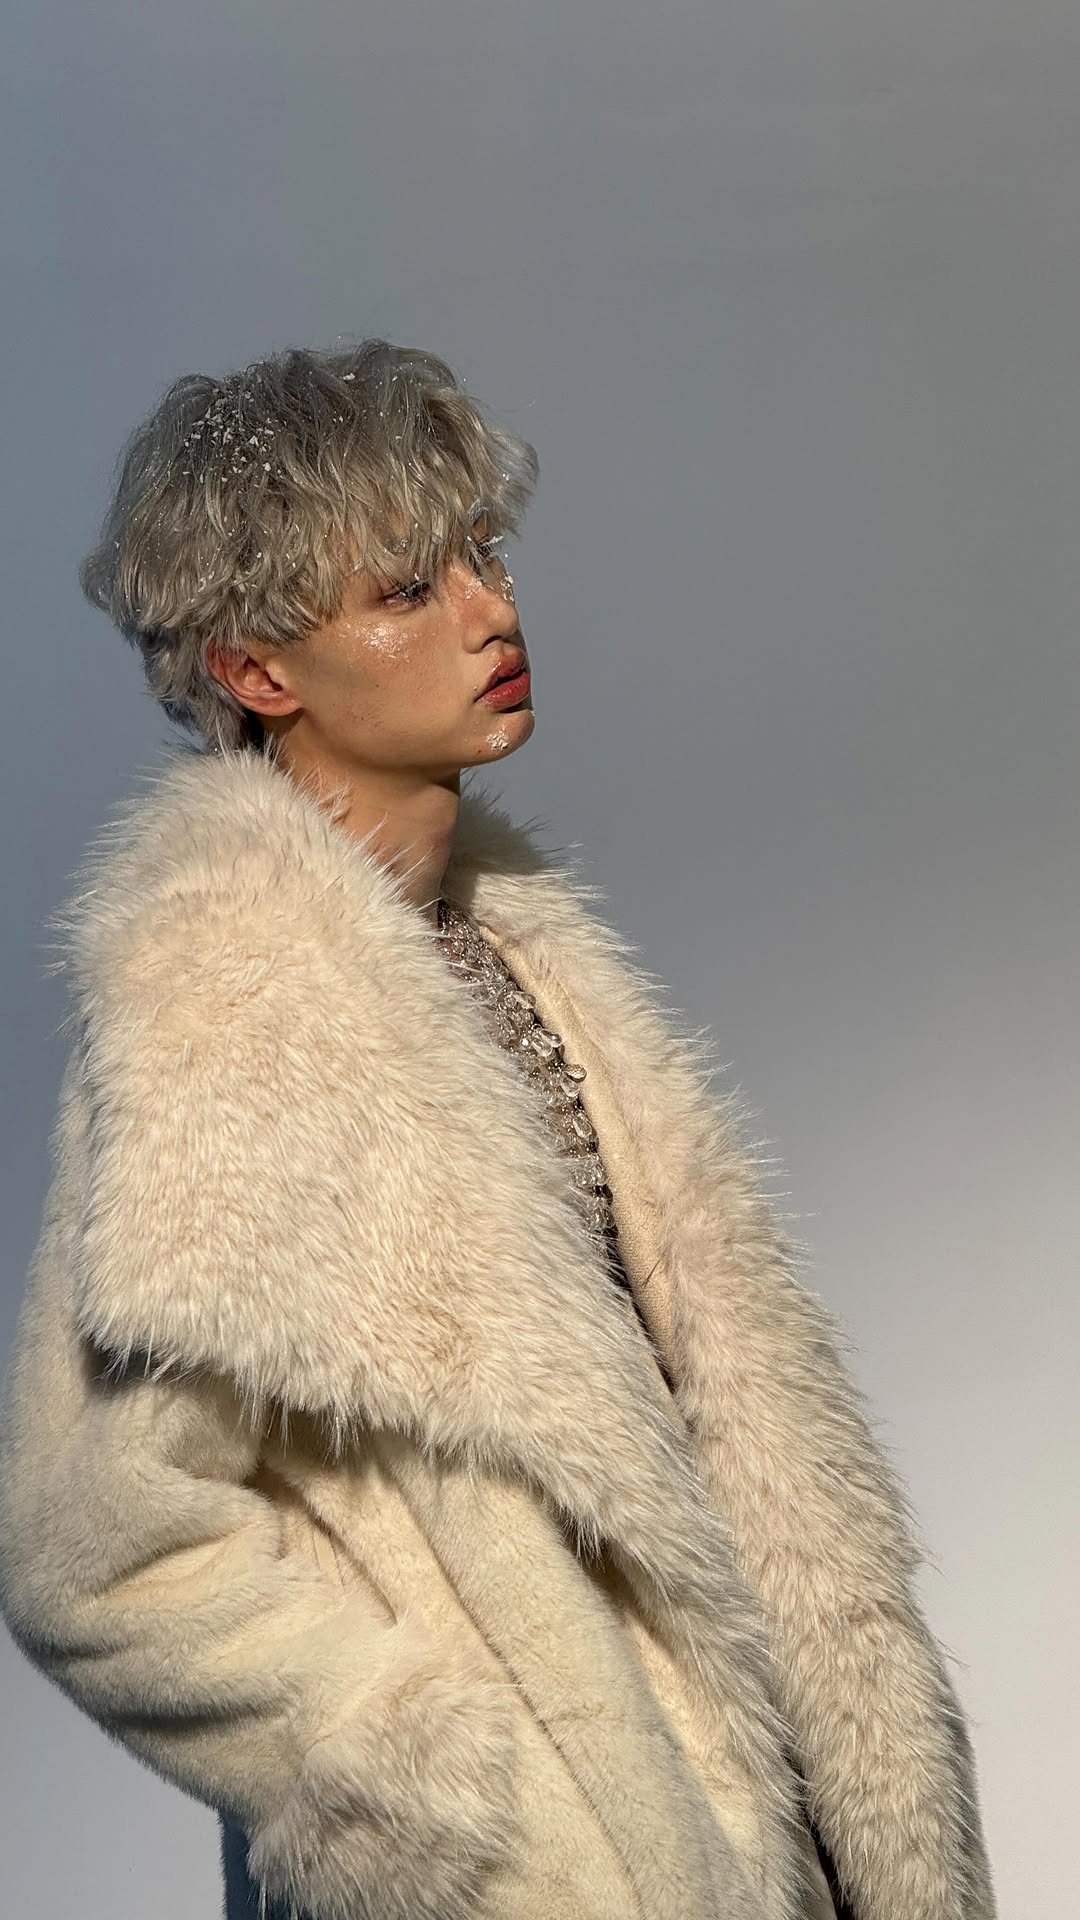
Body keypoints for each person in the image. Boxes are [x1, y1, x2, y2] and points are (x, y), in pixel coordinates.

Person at [0, 339, 997, 1920]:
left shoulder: (508, 950)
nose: (490, 612)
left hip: (760, 1821)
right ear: (258, 672)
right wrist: (451, 1807)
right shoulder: (229, 1015)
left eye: (483, 554)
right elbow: (95, 1550)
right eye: (407, 588)